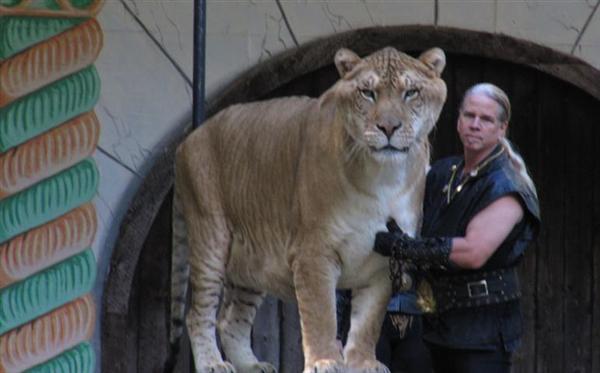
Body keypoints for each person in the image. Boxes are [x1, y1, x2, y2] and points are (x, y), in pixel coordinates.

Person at [373, 83, 540, 373]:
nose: (475, 125)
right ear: (459, 121)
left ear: (502, 128)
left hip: (481, 334)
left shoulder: (509, 185)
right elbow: (401, 210)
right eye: (469, 115)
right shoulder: (442, 173)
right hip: (432, 325)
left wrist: (401, 246)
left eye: (486, 119)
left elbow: (472, 252)